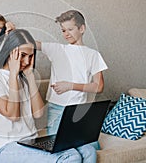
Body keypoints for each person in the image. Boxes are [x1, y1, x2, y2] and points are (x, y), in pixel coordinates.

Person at [0, 29, 83, 162]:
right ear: (9, 52)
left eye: (30, 56)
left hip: (32, 141)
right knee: (71, 157)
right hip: (6, 147)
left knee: (87, 150)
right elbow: (12, 115)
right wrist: (13, 75)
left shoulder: (24, 78)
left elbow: (39, 113)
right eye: (23, 55)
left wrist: (29, 76)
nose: (27, 61)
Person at [36, 10, 108, 162]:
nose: (66, 34)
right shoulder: (56, 49)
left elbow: (98, 86)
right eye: (63, 30)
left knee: (90, 151)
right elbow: (28, 43)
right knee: (65, 150)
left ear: (81, 29)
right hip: (56, 111)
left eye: (70, 29)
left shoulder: (93, 55)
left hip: (79, 112)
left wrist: (71, 86)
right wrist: (12, 30)